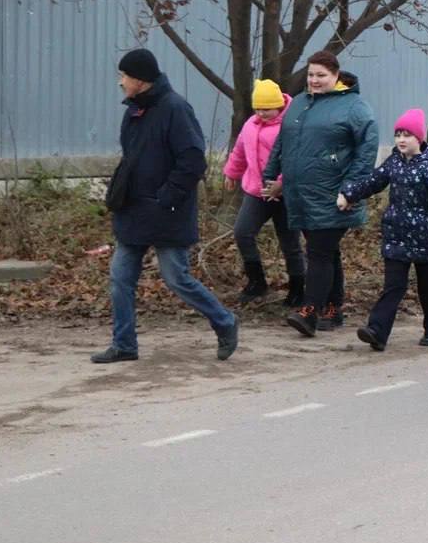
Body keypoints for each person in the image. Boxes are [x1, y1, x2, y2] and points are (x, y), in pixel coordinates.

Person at [91, 49, 239, 364]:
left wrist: (166, 197)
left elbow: (192, 160)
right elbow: (131, 157)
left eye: (124, 76)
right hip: (134, 210)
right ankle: (124, 344)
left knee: (176, 278)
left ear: (140, 80)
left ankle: (225, 322)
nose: (120, 83)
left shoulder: (175, 109)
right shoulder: (134, 111)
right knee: (120, 277)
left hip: (166, 211)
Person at [263, 51, 378, 337]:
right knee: (325, 251)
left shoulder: (354, 106)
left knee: (318, 252)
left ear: (336, 76)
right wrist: (273, 172)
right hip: (300, 193)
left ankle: (309, 310)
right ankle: (333, 307)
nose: (314, 80)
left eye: (321, 76)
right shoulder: (300, 102)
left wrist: (352, 188)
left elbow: (367, 149)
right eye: (311, 75)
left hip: (334, 193)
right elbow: (284, 139)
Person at [339, 108, 428, 350]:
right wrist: (349, 194)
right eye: (398, 134)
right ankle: (377, 332)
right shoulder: (394, 162)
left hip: (425, 238)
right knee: (393, 286)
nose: (401, 139)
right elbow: (374, 181)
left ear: (419, 138)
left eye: (407, 135)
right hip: (397, 236)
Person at [223, 79, 304, 306]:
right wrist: (231, 173)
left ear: (278, 106)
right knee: (242, 232)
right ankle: (257, 281)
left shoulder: (290, 126)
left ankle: (298, 287)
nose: (262, 113)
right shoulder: (250, 124)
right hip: (256, 191)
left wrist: (281, 183)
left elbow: (296, 159)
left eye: (267, 109)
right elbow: (240, 151)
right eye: (258, 108)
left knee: (290, 242)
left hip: (284, 194)